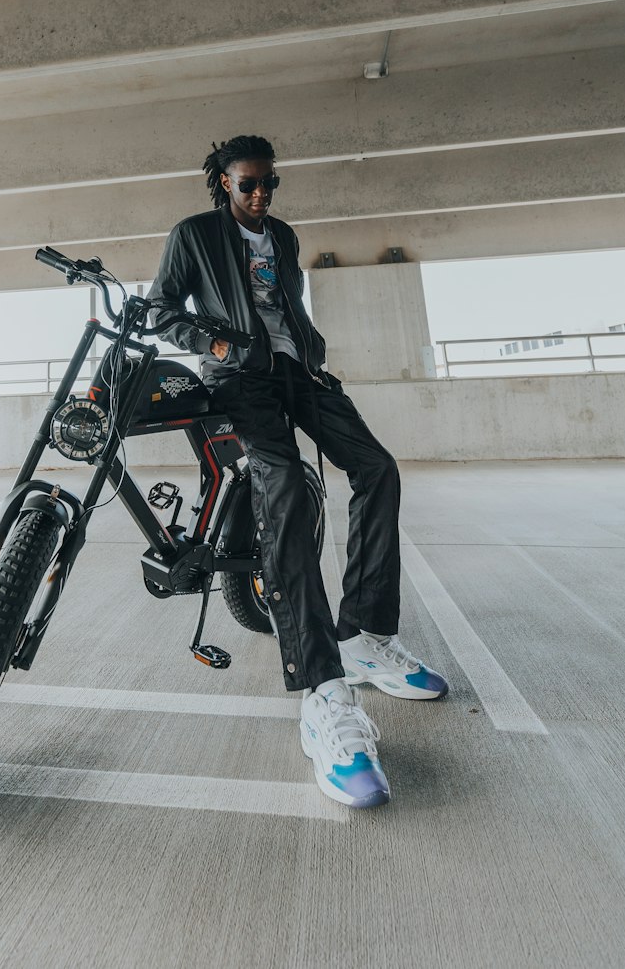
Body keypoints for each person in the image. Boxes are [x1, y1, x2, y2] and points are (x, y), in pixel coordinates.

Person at [147, 134, 447, 809]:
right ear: (223, 182)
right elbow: (164, 311)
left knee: (377, 468)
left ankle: (365, 637)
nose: (259, 195)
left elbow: (288, 308)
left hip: (300, 374)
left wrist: (309, 347)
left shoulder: (280, 236)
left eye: (268, 184)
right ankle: (321, 687)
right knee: (282, 488)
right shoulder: (193, 235)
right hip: (239, 378)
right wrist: (218, 342)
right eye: (247, 184)